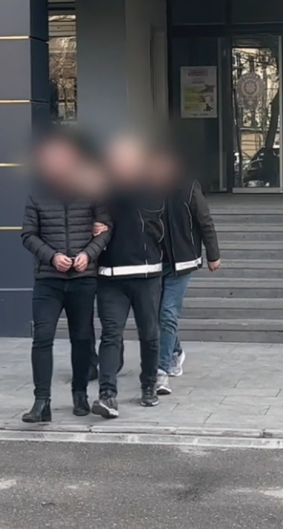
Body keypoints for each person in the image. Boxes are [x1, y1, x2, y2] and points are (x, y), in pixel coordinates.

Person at [20, 128, 112, 423]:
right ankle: (41, 401)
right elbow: (28, 235)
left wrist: (88, 254)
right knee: (42, 338)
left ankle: (80, 394)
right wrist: (52, 256)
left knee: (82, 339)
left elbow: (105, 229)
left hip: (83, 279)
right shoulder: (37, 194)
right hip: (48, 279)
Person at [92, 134, 165, 419]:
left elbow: (158, 219)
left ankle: (148, 385)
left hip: (147, 274)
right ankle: (107, 395)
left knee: (149, 334)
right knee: (111, 335)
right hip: (110, 276)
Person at [151, 142, 221, 395]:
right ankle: (176, 351)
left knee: (168, 312)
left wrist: (213, 254)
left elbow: (205, 221)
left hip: (182, 261)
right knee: (158, 314)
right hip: (155, 261)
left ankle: (160, 371)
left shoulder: (189, 187)